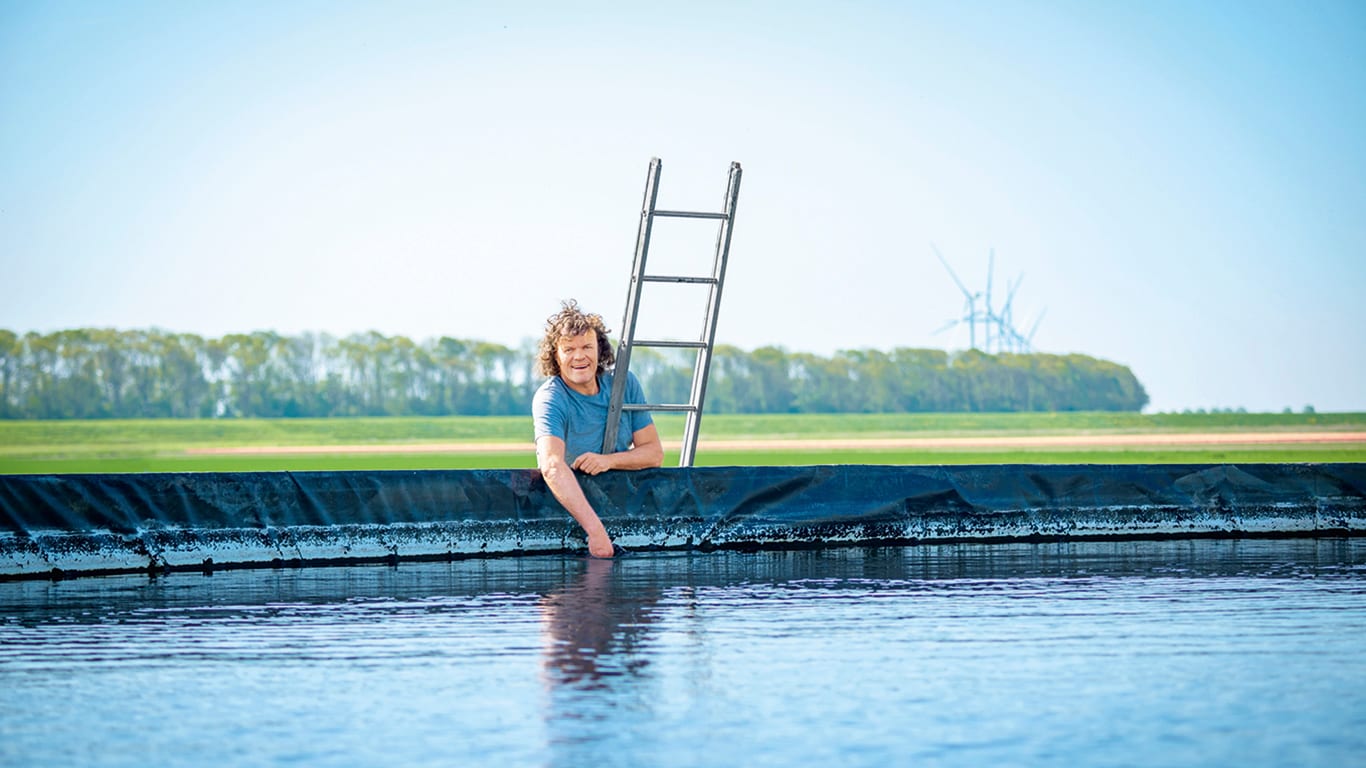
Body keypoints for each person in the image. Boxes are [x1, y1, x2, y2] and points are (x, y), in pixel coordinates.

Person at [532, 299, 663, 558]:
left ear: (599, 351)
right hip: (572, 509)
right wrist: (595, 532)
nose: (579, 356)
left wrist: (608, 461)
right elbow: (552, 465)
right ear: (556, 357)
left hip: (625, 501)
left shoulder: (624, 384)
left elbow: (654, 454)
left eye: (587, 347)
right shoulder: (551, 398)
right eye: (569, 349)